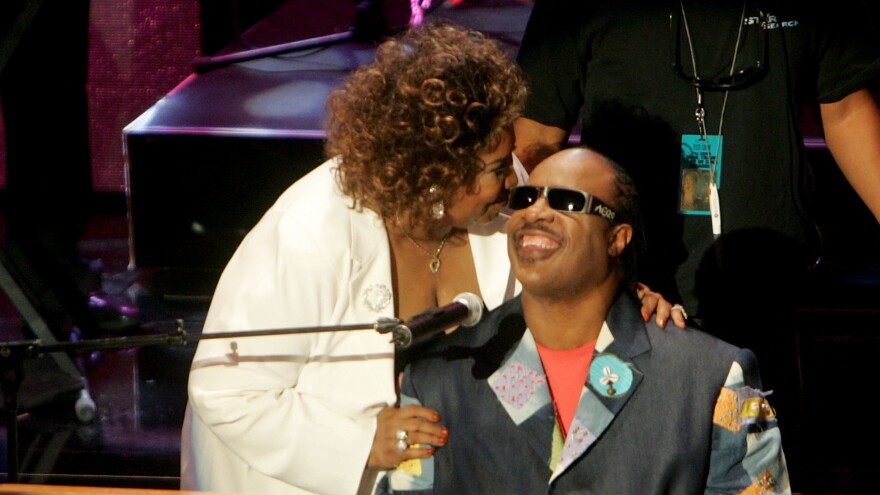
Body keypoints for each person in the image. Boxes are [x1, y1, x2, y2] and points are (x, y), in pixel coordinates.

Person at [181, 21, 685, 495]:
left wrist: (625, 300)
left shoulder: (494, 203)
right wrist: (360, 443)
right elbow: (225, 388)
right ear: (434, 174)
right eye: (496, 170)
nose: (516, 183)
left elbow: (552, 285)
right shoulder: (315, 228)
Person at [512, 0, 880, 474]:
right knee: (632, 470)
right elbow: (538, 130)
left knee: (757, 468)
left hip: (764, 293)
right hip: (630, 302)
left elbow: (847, 106)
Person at [385, 146, 790, 494]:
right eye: (525, 198)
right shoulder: (442, 376)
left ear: (617, 238)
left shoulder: (709, 377)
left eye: (567, 201)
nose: (535, 212)